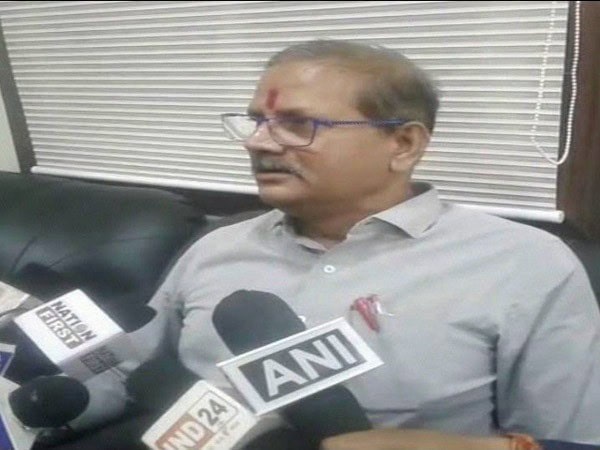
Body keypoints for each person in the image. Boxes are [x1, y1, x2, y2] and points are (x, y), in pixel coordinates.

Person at [65, 39, 600, 448]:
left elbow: (566, 440)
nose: (259, 142)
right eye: (256, 122)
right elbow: (125, 371)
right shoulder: (214, 249)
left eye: (297, 124)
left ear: (403, 143)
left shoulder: (524, 264)